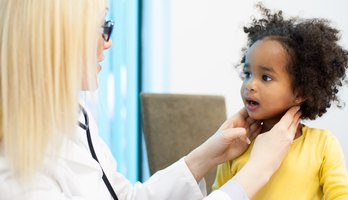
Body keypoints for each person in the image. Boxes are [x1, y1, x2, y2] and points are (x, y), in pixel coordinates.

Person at [0, 0, 301, 199]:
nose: (109, 41)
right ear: (57, 35)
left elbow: (124, 197)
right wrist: (254, 174)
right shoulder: (16, 171)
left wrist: (207, 155)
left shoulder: (73, 118)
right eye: (102, 27)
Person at [212, 3, 348, 200]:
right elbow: (220, 194)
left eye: (266, 77)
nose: (250, 85)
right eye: (247, 73)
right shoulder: (237, 144)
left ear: (300, 91)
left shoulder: (323, 144)